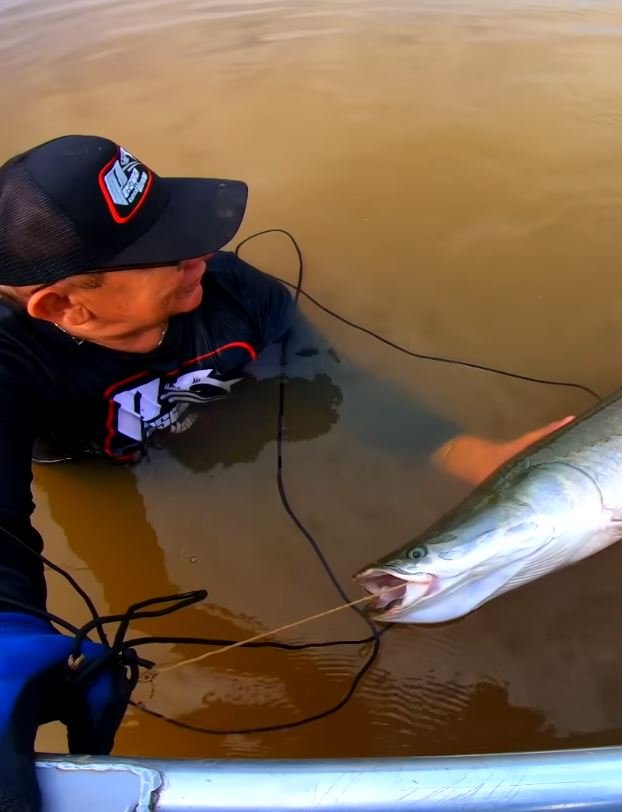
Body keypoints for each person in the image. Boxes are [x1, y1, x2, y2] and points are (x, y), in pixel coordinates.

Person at [0, 134, 569, 811]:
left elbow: (329, 383)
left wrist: (459, 451)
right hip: (93, 469)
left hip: (212, 438)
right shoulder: (13, 360)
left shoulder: (234, 294)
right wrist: (8, 638)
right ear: (66, 307)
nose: (201, 256)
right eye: (165, 253)